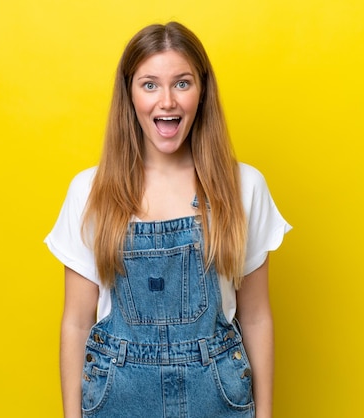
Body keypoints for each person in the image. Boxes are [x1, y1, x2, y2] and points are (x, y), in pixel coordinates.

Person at [45, 21, 291, 418]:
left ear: (202, 91)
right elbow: (75, 322)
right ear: (129, 95)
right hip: (117, 401)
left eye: (182, 83)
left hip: (218, 400)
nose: (167, 102)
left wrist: (264, 415)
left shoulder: (244, 186)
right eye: (149, 85)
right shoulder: (89, 191)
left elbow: (257, 316)